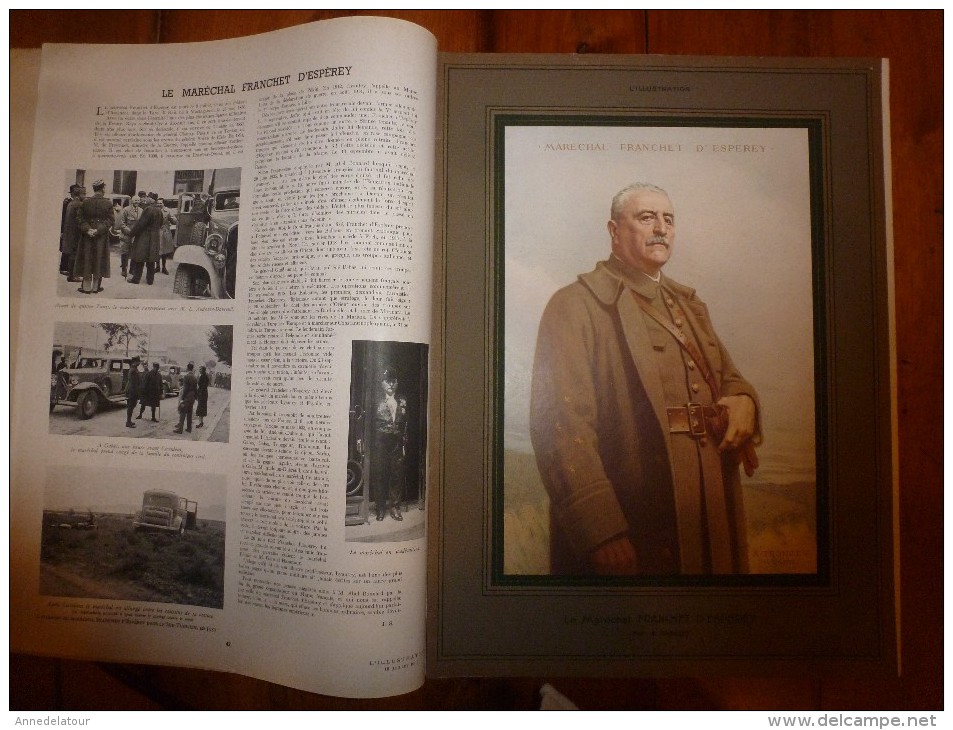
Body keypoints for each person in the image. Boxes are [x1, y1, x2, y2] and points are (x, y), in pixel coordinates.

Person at [530, 182, 760, 577]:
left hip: (709, 506)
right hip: (634, 514)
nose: (661, 228)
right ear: (614, 231)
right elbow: (560, 428)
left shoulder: (689, 306)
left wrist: (745, 401)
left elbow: (731, 380)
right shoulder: (573, 306)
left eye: (668, 219)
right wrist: (601, 531)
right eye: (646, 217)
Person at [371, 369, 407, 521]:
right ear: (381, 383)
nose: (391, 384)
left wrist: (404, 443)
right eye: (387, 380)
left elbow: (406, 424)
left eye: (394, 380)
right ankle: (380, 508)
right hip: (380, 443)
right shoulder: (375, 400)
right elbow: (369, 424)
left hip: (397, 443)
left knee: (396, 475)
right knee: (380, 474)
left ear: (397, 383)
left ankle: (395, 507)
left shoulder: (403, 400)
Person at [74, 179, 113, 294]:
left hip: (87, 236)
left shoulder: (85, 202)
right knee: (99, 259)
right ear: (102, 189)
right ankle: (96, 287)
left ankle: (86, 287)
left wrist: (88, 229)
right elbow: (110, 220)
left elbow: (80, 219)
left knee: (87, 258)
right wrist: (98, 230)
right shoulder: (108, 203)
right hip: (100, 236)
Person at [128, 195, 163, 285]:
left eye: (145, 200)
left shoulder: (148, 209)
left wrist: (131, 233)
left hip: (145, 237)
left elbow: (141, 224)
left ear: (149, 201)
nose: (143, 201)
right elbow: (161, 223)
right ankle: (150, 280)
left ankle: (136, 279)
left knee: (139, 258)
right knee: (151, 260)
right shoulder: (159, 210)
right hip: (155, 237)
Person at [60, 184, 85, 282]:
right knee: (73, 255)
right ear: (79, 194)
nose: (85, 196)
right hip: (74, 234)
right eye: (84, 194)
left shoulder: (71, 203)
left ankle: (71, 274)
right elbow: (79, 220)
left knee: (70, 253)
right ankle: (72, 276)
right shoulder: (78, 204)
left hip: (69, 233)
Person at [117, 196, 143, 279]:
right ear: (132, 201)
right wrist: (130, 232)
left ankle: (132, 269)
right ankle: (124, 269)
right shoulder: (126, 209)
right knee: (125, 253)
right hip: (126, 235)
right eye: (135, 200)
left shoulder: (141, 210)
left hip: (136, 236)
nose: (137, 202)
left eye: (138, 200)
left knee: (134, 253)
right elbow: (122, 223)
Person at [173, 362, 198, 434]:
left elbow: (185, 388)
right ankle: (189, 428)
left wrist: (182, 398)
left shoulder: (186, 377)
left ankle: (180, 429)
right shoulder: (194, 377)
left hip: (187, 397)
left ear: (187, 368)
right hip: (192, 397)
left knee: (182, 412)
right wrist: (195, 397)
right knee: (189, 413)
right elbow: (196, 389)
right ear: (192, 369)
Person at [157, 197, 177, 274]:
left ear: (163, 203)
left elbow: (173, 220)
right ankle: (157, 266)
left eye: (161, 203)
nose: (159, 204)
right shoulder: (155, 210)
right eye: (158, 203)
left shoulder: (168, 211)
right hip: (157, 232)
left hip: (165, 232)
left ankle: (164, 267)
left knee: (164, 251)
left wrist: (176, 220)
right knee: (157, 250)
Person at [125, 356, 142, 429]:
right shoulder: (133, 370)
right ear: (135, 362)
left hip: (133, 390)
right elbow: (134, 382)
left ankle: (129, 421)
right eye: (138, 361)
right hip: (132, 390)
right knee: (131, 406)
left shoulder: (134, 369)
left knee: (132, 406)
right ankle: (128, 422)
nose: (139, 363)